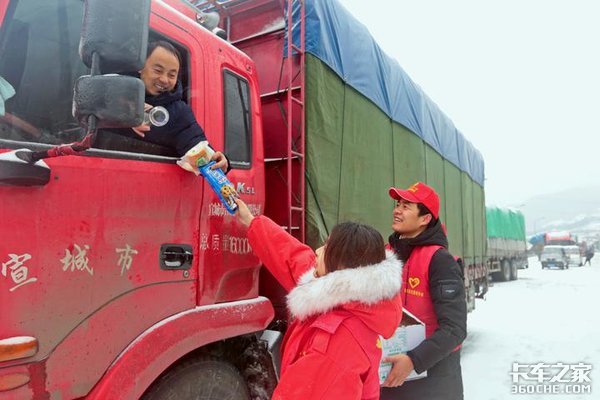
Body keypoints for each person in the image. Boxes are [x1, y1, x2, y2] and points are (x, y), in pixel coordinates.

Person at [235, 197, 403, 400]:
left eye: (326, 247)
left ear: (342, 266)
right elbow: (293, 257)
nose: (317, 251)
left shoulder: (335, 346)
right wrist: (252, 221)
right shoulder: (353, 297)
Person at [381, 182, 467, 400]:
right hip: (389, 373)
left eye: (406, 206)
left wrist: (413, 361)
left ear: (425, 219)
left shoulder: (441, 261)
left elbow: (455, 329)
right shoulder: (385, 254)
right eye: (397, 204)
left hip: (433, 380)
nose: (397, 210)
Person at [129, 40, 228, 172]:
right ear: (140, 66)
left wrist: (218, 161)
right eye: (158, 70)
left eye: (171, 75)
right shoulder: (114, 87)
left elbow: (197, 149)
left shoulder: (180, 113)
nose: (164, 79)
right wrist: (122, 113)